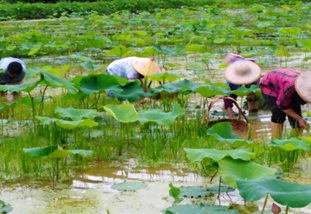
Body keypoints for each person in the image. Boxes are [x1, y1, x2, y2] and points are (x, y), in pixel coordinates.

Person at [259, 68, 311, 139]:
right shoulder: (290, 87)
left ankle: (295, 140)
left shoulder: (306, 87)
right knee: (278, 113)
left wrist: (298, 118)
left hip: (285, 81)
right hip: (270, 85)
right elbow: (282, 105)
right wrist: (299, 119)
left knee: (296, 114)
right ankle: (276, 142)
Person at [223, 53, 262, 118]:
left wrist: (252, 94)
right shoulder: (230, 80)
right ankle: (225, 108)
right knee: (230, 98)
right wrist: (230, 109)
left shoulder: (254, 76)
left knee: (253, 96)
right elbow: (227, 95)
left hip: (247, 69)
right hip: (238, 71)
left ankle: (253, 115)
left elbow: (255, 88)